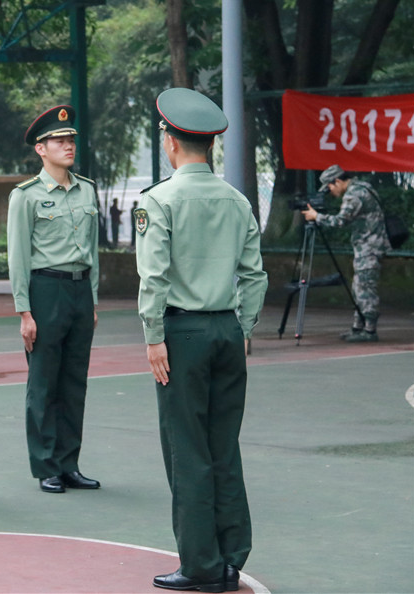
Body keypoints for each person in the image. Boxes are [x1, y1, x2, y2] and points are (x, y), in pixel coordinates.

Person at [135, 88, 267, 593]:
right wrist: (242, 328)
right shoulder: (237, 200)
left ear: (170, 142)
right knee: (223, 446)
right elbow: (254, 276)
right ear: (210, 144)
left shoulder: (159, 200)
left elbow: (154, 277)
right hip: (227, 330)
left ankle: (200, 565)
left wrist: (153, 336)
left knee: (186, 449)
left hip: (182, 333)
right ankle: (231, 557)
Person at [6, 105, 101, 494]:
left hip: (80, 290)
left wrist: (93, 300)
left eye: (70, 140)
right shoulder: (25, 196)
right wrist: (24, 311)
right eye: (59, 141)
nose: (68, 146)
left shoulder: (87, 189)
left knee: (75, 382)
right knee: (44, 381)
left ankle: (69, 463)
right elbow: (18, 257)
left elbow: (93, 251)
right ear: (41, 149)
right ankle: (46, 465)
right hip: (46, 290)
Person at [302, 164, 390, 342]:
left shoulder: (354, 194)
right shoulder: (364, 187)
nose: (331, 192)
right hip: (368, 246)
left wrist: (317, 216)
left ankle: (370, 330)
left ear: (338, 181)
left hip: (369, 248)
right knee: (358, 287)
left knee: (365, 288)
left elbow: (340, 221)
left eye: (330, 187)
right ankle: (358, 327)